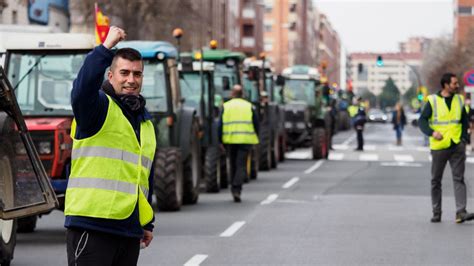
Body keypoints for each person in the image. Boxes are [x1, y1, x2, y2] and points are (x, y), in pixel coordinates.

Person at [64, 26, 156, 265]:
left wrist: (145, 221)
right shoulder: (97, 109)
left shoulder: (144, 121)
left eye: (137, 74)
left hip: (128, 230)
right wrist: (105, 48)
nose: (131, 80)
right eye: (124, 72)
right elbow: (81, 91)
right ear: (110, 75)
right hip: (92, 226)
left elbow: (142, 177)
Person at [418, 73, 474, 223]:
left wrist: (464, 138)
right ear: (445, 85)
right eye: (454, 83)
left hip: (457, 145)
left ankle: (461, 212)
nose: (457, 86)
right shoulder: (433, 101)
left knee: (459, 178)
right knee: (436, 180)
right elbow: (422, 121)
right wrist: (432, 132)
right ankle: (437, 212)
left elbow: (464, 121)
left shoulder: (459, 100)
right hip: (439, 146)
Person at [219, 85, 259, 202]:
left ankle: (234, 188)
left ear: (232, 94)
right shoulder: (249, 106)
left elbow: (220, 125)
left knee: (232, 164)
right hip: (245, 140)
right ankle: (237, 188)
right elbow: (256, 123)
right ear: (242, 94)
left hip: (230, 140)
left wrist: (219, 140)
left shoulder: (226, 106)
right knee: (241, 165)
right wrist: (256, 136)